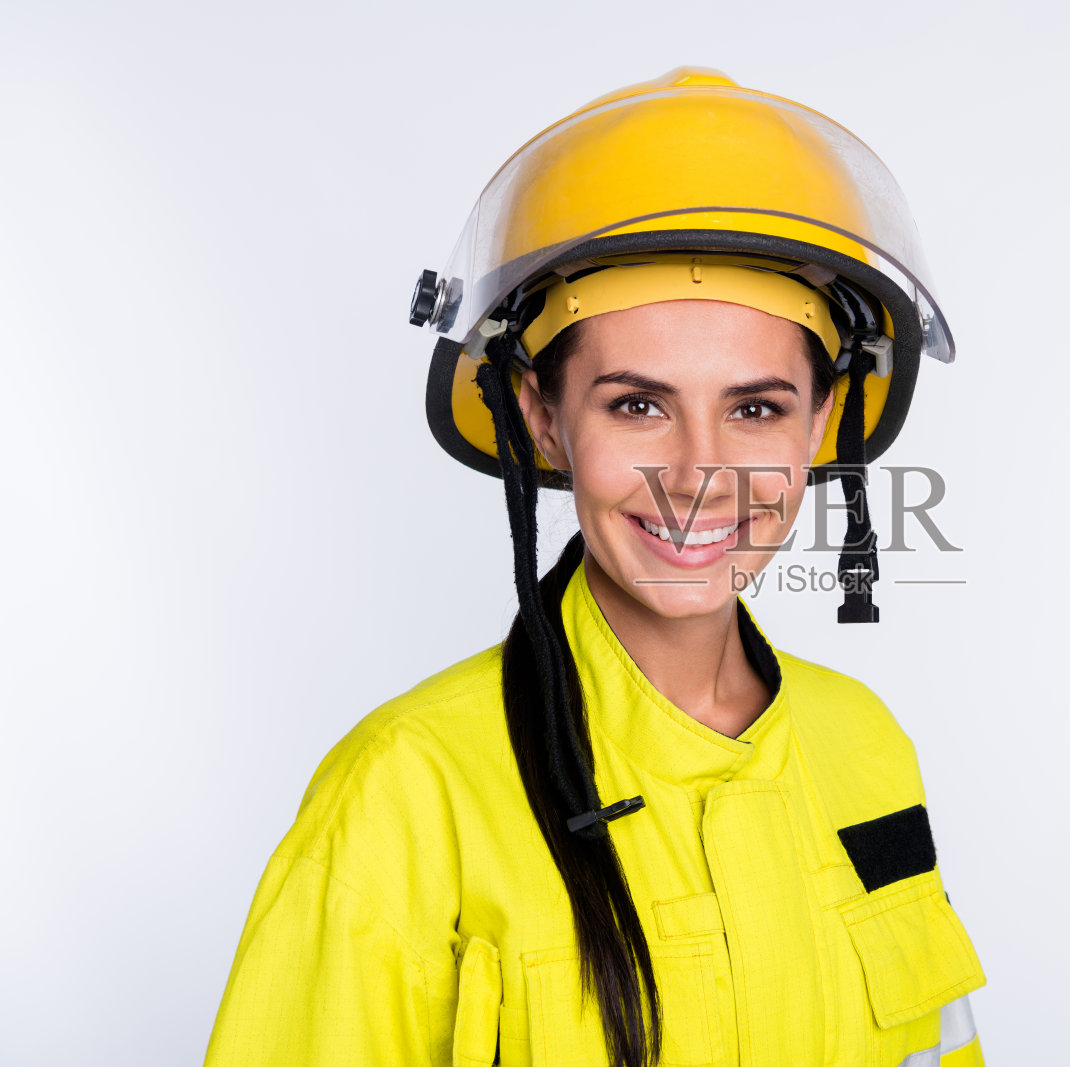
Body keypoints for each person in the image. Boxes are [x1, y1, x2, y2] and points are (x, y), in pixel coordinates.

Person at [203, 68, 986, 1067]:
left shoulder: (864, 745)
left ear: (820, 422)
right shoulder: (405, 793)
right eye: (637, 405)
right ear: (542, 416)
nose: (699, 475)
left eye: (755, 408)